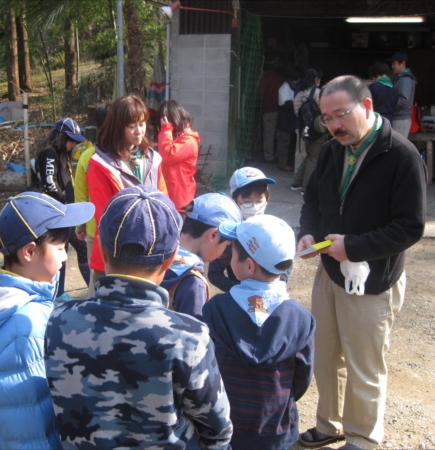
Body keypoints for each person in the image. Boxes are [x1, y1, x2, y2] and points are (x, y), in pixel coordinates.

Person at [45, 186, 233, 449]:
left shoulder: (58, 322)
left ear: (101, 248)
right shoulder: (189, 337)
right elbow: (217, 428)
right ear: (170, 259)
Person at [297, 75, 427, 450]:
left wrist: (353, 246)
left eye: (341, 114)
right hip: (330, 271)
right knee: (325, 355)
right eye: (327, 117)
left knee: (364, 364)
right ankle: (330, 423)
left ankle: (364, 437)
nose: (334, 125)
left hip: (373, 280)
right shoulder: (331, 151)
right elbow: (312, 202)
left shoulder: (401, 156)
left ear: (366, 107)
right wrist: (308, 233)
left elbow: (410, 227)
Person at [0, 192, 94, 449]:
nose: (66, 257)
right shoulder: (25, 327)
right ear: (30, 251)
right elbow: (32, 430)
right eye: (60, 248)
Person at [203, 214, 315, 450]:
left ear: (249, 265)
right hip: (275, 427)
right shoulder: (301, 318)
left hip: (224, 423)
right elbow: (302, 378)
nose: (229, 256)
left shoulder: (216, 309)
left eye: (232, 252)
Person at [86, 94, 167, 295]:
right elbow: (106, 217)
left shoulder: (153, 158)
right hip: (114, 258)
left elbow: (164, 200)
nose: (139, 131)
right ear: (117, 127)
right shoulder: (99, 165)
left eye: (142, 124)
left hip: (149, 255)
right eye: (132, 126)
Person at [160, 192, 242, 321]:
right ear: (214, 235)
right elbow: (194, 338)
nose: (222, 253)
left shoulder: (155, 257)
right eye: (226, 245)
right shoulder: (194, 284)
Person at [208, 167, 292, 292]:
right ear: (235, 201)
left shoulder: (276, 231)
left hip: (269, 295)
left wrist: (278, 284)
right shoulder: (228, 232)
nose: (254, 207)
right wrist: (241, 291)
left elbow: (286, 263)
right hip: (237, 299)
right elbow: (214, 274)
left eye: (259, 201)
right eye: (247, 202)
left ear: (267, 200)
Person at [35, 117, 90, 301]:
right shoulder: (49, 153)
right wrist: (65, 204)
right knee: (75, 248)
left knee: (65, 250)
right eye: (71, 139)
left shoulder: (61, 154)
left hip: (66, 212)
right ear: (60, 137)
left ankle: (62, 292)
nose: (73, 144)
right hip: (57, 213)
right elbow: (50, 183)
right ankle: (66, 293)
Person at [73, 103, 111, 299]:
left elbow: (80, 195)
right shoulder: (122, 156)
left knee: (96, 280)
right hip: (107, 231)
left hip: (93, 229)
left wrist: (80, 224)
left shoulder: (87, 155)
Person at [157, 99, 200, 212]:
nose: (162, 123)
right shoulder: (178, 137)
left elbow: (167, 156)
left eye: (165, 120)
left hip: (179, 202)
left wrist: (166, 130)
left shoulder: (189, 141)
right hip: (170, 197)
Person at [292, 68, 328, 193]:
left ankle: (296, 182)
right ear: (316, 79)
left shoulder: (299, 93)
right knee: (314, 157)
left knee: (307, 156)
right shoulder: (317, 92)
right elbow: (324, 110)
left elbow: (297, 111)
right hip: (316, 130)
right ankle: (306, 187)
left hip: (303, 129)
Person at [259, 58, 284, 163]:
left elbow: (260, 94)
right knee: (279, 135)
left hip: (269, 110)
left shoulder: (266, 79)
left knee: (269, 135)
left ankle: (269, 157)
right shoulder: (281, 79)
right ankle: (279, 156)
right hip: (281, 110)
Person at [276, 68, 301, 171]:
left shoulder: (293, 87)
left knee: (289, 144)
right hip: (285, 121)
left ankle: (288, 163)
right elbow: (284, 104)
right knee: (284, 143)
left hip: (290, 120)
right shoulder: (284, 88)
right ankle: (282, 164)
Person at [388, 51, 417, 138]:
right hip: (399, 118)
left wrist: (389, 105)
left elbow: (403, 100)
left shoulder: (405, 79)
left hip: (401, 118)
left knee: (398, 147)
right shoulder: (401, 78)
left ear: (403, 63)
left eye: (394, 64)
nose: (392, 66)